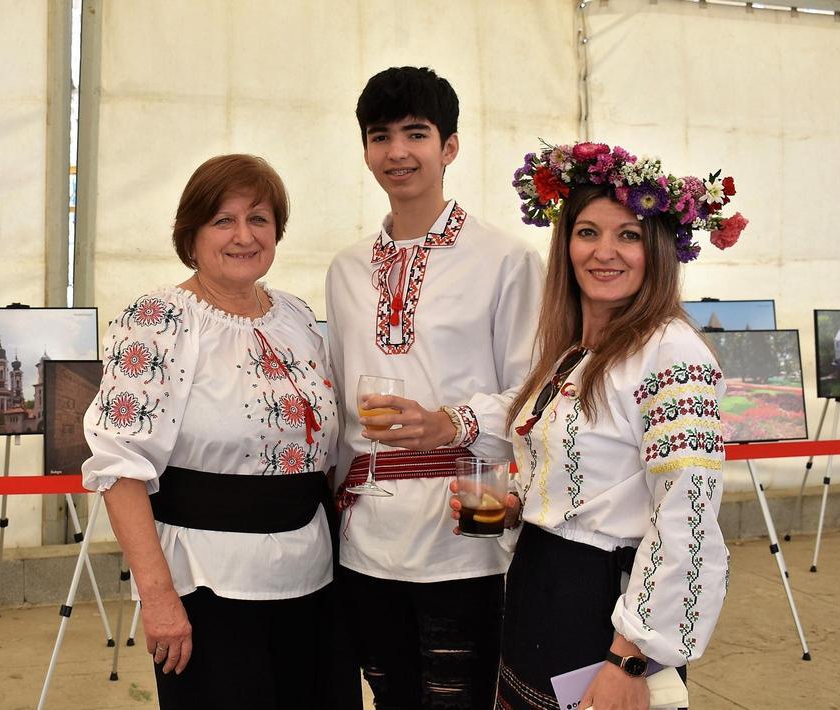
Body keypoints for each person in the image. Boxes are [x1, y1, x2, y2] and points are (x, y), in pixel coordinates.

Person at [458, 141, 744, 709]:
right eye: (587, 232)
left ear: (656, 249)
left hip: (604, 611)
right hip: (542, 590)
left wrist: (632, 656)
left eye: (628, 235)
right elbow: (583, 480)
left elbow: (687, 516)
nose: (603, 252)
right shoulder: (575, 352)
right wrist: (518, 506)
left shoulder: (672, 355)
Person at [81, 154, 339, 709]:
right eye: (223, 220)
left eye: (260, 219)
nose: (244, 236)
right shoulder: (160, 321)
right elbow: (119, 467)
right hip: (207, 588)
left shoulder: (296, 318)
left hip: (314, 583)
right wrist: (158, 599)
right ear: (191, 235)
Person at [325, 66, 544, 708]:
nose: (397, 152)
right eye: (380, 136)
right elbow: (338, 406)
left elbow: (535, 395)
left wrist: (453, 421)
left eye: (415, 134)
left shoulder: (506, 259)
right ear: (365, 150)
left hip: (468, 521)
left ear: (449, 147)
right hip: (367, 532)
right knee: (391, 698)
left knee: (465, 698)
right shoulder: (345, 269)